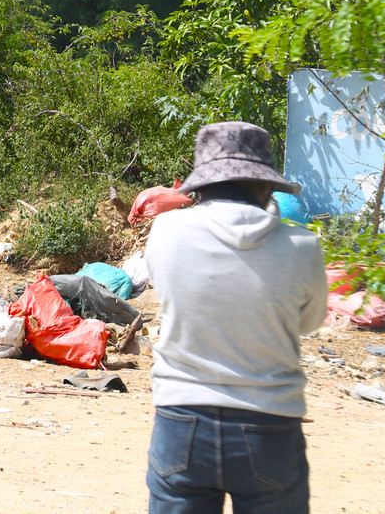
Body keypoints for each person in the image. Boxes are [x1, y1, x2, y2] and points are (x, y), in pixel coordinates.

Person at [144, 121, 327, 514]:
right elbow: (309, 322)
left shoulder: (165, 231)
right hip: (271, 426)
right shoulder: (302, 245)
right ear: (265, 186)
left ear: (200, 186)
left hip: (182, 422)